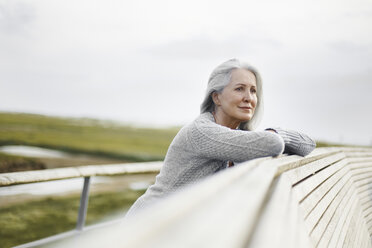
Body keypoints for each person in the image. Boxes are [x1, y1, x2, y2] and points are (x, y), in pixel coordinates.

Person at [125, 58, 316, 217]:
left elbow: (308, 144)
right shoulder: (202, 132)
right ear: (216, 97)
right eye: (240, 89)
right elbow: (273, 143)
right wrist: (276, 135)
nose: (249, 98)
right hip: (146, 226)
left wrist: (277, 134)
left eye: (253, 90)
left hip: (178, 228)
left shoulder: (236, 137)